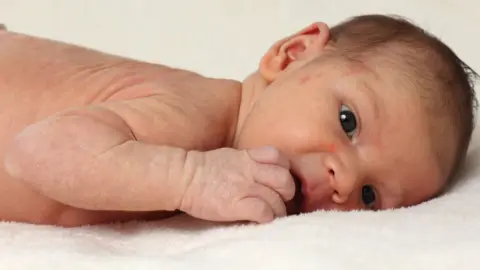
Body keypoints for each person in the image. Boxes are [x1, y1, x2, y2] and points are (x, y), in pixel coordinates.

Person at [0, 14, 477, 227]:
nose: (345, 181)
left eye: (371, 197)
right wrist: (188, 179)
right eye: (348, 121)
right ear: (292, 55)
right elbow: (34, 151)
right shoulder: (198, 113)